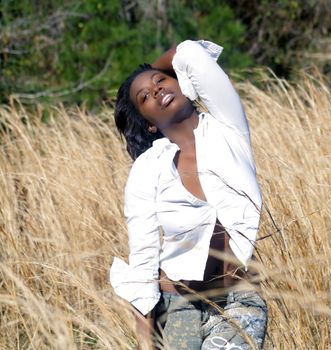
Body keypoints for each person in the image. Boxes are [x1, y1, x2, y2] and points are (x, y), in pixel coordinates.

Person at [109, 39, 268, 350]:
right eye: (145, 97)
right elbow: (142, 264)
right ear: (149, 124)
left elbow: (191, 54)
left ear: (181, 83)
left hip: (239, 300)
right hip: (177, 307)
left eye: (161, 82)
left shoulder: (228, 128)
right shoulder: (147, 169)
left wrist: (150, 71)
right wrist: (145, 344)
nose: (155, 91)